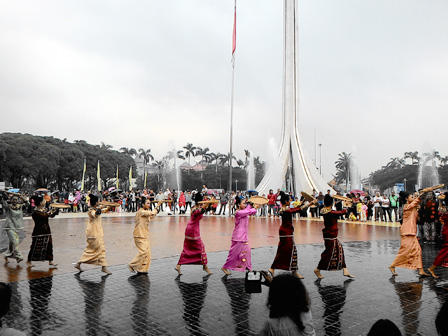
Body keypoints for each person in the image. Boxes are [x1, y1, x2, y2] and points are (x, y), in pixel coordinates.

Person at [268, 192, 315, 279]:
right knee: (293, 251)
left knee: (282, 251)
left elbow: (295, 208)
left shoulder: (283, 208)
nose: (290, 201)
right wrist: (311, 203)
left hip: (284, 232)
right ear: (286, 201)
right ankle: (294, 271)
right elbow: (297, 210)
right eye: (289, 200)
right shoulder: (287, 210)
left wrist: (304, 200)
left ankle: (273, 268)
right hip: (287, 233)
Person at [389, 190, 431, 277]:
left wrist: (423, 194)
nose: (413, 198)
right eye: (411, 197)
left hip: (411, 232)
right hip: (407, 232)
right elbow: (415, 202)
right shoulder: (406, 207)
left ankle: (421, 270)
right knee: (405, 251)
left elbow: (417, 203)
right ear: (406, 199)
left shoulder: (412, 207)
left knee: (417, 250)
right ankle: (392, 265)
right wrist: (420, 196)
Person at [314, 194, 355, 279]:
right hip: (331, 235)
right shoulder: (331, 212)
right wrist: (347, 205)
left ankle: (345, 269)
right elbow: (343, 212)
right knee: (328, 253)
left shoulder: (323, 210)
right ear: (332, 204)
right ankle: (317, 269)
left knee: (339, 249)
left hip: (329, 234)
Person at [74, 195, 112, 275]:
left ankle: (103, 267)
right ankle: (80, 263)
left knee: (99, 249)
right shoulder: (91, 211)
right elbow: (96, 213)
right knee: (95, 249)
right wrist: (102, 207)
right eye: (97, 201)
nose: (99, 203)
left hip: (97, 232)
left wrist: (109, 207)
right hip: (93, 233)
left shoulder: (95, 209)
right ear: (95, 203)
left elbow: (102, 211)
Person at [175, 200, 212, 275]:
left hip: (190, 229)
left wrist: (208, 205)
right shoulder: (195, 210)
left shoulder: (195, 208)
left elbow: (203, 210)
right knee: (201, 247)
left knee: (187, 248)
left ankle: (178, 265)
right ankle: (205, 266)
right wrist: (205, 206)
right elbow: (200, 211)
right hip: (193, 231)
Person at [222, 197, 258, 275]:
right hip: (238, 237)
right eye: (243, 203)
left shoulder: (244, 211)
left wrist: (251, 205)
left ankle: (248, 267)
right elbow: (250, 211)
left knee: (248, 251)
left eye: (245, 203)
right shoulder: (238, 213)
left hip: (244, 236)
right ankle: (225, 267)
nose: (245, 204)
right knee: (233, 254)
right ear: (238, 204)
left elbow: (250, 211)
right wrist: (254, 207)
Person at [128, 199, 160, 274]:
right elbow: (152, 213)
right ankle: (132, 265)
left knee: (147, 253)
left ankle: (142, 269)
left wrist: (157, 209)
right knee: (143, 252)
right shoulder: (141, 212)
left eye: (150, 203)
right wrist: (158, 205)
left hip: (145, 234)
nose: (149, 205)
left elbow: (152, 214)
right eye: (147, 203)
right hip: (139, 235)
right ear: (143, 204)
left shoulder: (146, 213)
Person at [26, 195, 59, 268]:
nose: (45, 202)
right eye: (43, 201)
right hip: (38, 232)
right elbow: (44, 216)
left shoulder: (44, 210)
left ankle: (50, 261)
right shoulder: (35, 212)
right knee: (35, 246)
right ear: (40, 203)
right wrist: (50, 212)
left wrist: (55, 210)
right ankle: (29, 260)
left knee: (49, 245)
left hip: (47, 230)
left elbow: (51, 215)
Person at [0, 192, 26, 264]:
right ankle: (19, 256)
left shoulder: (20, 206)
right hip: (9, 226)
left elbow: (27, 203)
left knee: (12, 243)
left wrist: (21, 196)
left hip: (16, 226)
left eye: (16, 199)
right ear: (11, 200)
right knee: (15, 241)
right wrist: (3, 195)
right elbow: (3, 202)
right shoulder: (8, 206)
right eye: (13, 199)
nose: (15, 201)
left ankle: (7, 255)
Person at [428, 192, 448, 278]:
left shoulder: (443, 209)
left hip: (445, 230)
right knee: (445, 251)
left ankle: (433, 267)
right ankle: (432, 267)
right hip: (447, 231)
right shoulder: (445, 209)